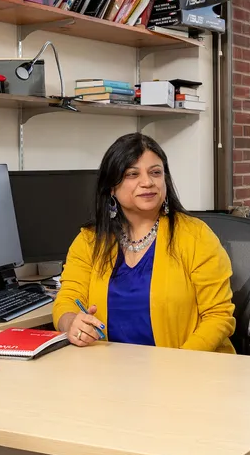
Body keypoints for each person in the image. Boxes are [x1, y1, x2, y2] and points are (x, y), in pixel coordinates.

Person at [52, 133, 236, 352]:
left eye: (155, 172)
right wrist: (70, 322)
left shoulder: (195, 236)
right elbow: (68, 298)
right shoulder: (90, 240)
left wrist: (179, 364)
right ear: (111, 187)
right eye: (132, 174)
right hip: (107, 372)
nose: (147, 182)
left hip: (187, 371)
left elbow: (218, 316)